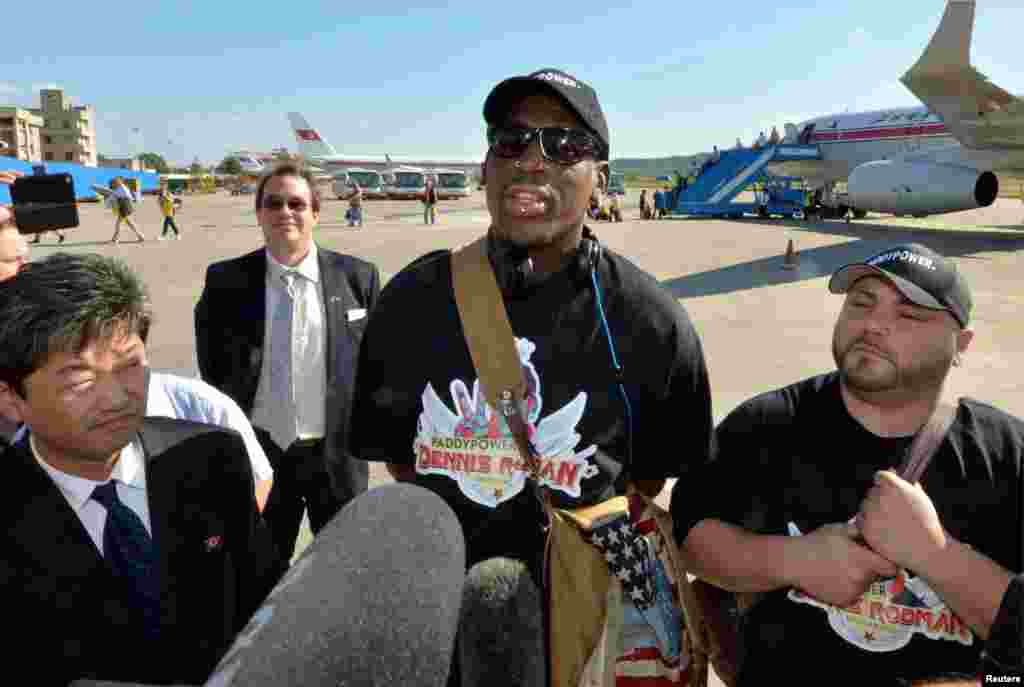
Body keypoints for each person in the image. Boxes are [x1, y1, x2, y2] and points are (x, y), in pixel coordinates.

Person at [349, 67, 713, 685]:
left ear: (600, 174)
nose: (532, 161)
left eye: (565, 145)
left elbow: (649, 478)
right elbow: (400, 459)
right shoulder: (413, 298)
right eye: (511, 140)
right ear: (487, 167)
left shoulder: (650, 320)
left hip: (586, 628)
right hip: (442, 625)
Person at [673, 243, 1024, 685]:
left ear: (961, 344)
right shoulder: (764, 427)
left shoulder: (1007, 457)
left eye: (910, 314)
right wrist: (795, 560)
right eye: (862, 303)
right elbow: (692, 540)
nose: (875, 324)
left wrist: (936, 557)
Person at [0, 253, 285, 686]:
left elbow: (265, 607)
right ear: (11, 397)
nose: (115, 397)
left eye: (130, 365)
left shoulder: (211, 457)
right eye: (79, 379)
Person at [195, 162, 382, 568]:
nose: (285, 212)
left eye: (296, 203)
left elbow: (375, 364)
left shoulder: (358, 278)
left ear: (315, 211)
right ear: (259, 213)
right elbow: (213, 367)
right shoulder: (226, 281)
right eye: (273, 203)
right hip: (261, 454)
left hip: (335, 456)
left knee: (343, 567)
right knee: (258, 568)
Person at [108, 177, 146, 243]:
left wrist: (110, 202)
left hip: (125, 206)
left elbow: (115, 196)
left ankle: (115, 238)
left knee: (119, 223)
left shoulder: (121, 188)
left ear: (117, 182)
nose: (112, 185)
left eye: (113, 184)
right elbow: (115, 196)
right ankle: (140, 236)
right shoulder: (121, 188)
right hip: (125, 206)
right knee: (129, 223)